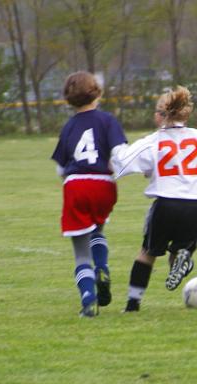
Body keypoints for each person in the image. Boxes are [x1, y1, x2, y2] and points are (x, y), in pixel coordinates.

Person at [112, 86, 197, 312]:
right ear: (185, 114)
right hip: (195, 208)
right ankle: (181, 259)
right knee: (179, 251)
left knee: (147, 253)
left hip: (165, 206)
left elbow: (123, 161)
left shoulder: (153, 141)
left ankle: (132, 304)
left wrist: (115, 150)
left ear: (161, 115)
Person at [51, 71, 127, 317]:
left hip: (77, 185)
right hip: (104, 184)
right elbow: (120, 153)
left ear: (68, 98)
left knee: (81, 254)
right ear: (97, 93)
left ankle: (88, 299)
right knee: (98, 230)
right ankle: (102, 267)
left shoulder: (69, 127)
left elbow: (60, 168)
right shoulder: (108, 120)